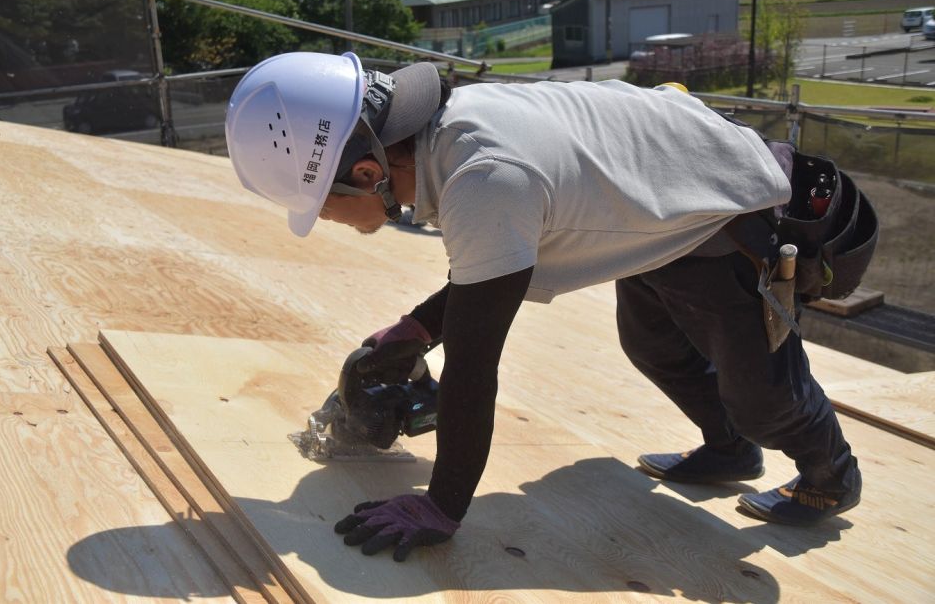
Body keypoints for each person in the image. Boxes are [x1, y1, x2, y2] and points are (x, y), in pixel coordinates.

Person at [224, 52, 862, 562]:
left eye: (319, 203)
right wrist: (417, 329)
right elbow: (490, 277)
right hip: (652, 212)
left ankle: (829, 475)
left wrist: (441, 507)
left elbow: (474, 366)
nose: (324, 219)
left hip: (727, 217)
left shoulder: (483, 176)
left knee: (761, 396)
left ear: (367, 173)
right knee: (654, 347)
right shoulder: (452, 135)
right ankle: (729, 452)